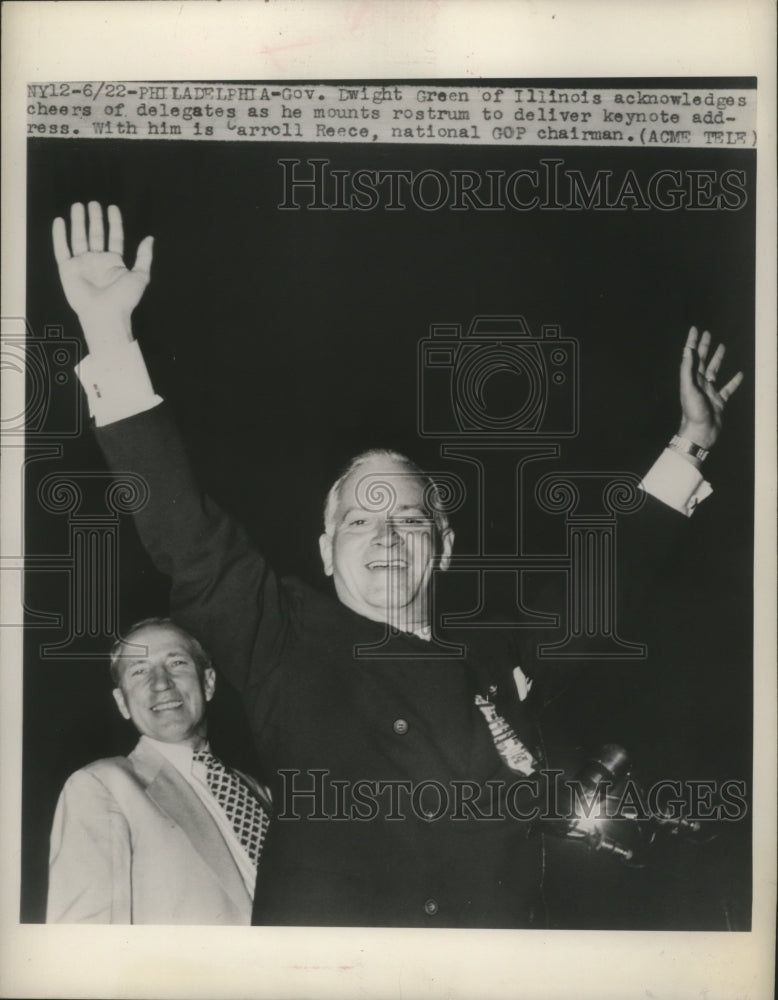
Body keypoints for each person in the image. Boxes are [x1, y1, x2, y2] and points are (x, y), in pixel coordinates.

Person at [51, 201, 742, 927]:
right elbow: (183, 530)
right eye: (359, 519)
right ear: (324, 552)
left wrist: (690, 443)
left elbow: (603, 584)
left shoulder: (501, 658)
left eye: (409, 518)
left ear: (444, 547)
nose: (385, 535)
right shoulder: (281, 641)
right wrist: (107, 332)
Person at [46, 618, 272, 925]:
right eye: (139, 671)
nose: (161, 683)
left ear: (208, 683)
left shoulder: (259, 792)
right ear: (122, 702)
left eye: (176, 662)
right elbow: (86, 942)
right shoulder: (102, 786)